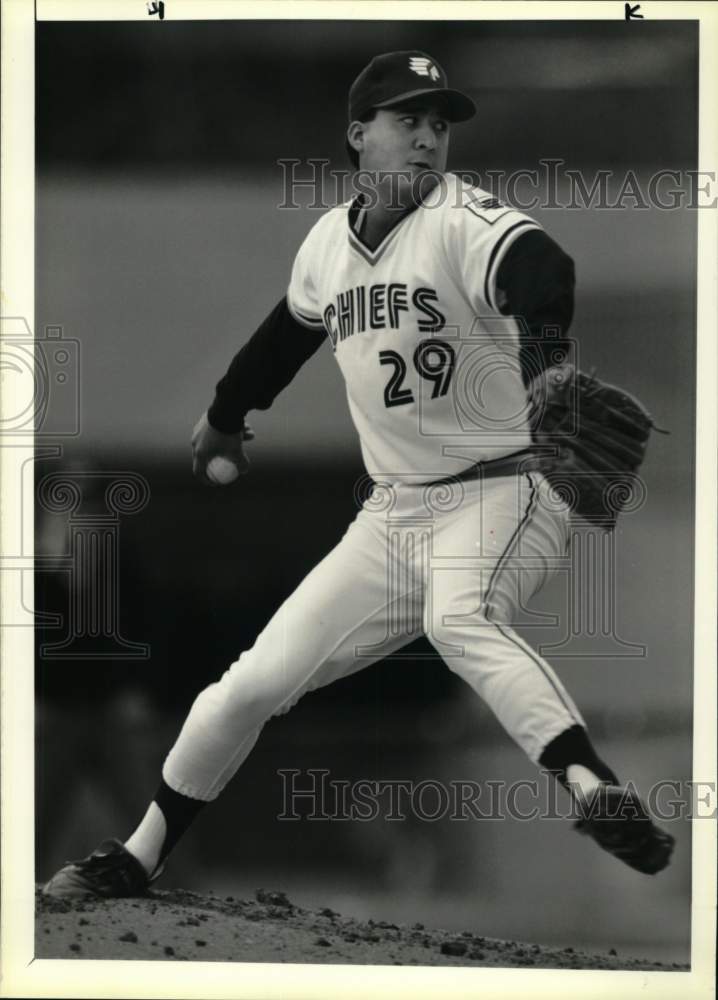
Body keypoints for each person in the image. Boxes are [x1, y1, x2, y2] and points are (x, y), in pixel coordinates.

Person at [44, 50, 674, 898]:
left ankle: (591, 787)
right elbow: (285, 336)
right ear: (357, 135)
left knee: (461, 619)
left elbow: (543, 268)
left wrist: (551, 357)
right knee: (248, 686)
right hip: (391, 518)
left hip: (503, 489)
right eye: (407, 120)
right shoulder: (326, 248)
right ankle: (137, 856)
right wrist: (227, 418)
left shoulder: (459, 219)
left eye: (439, 125)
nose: (427, 140)